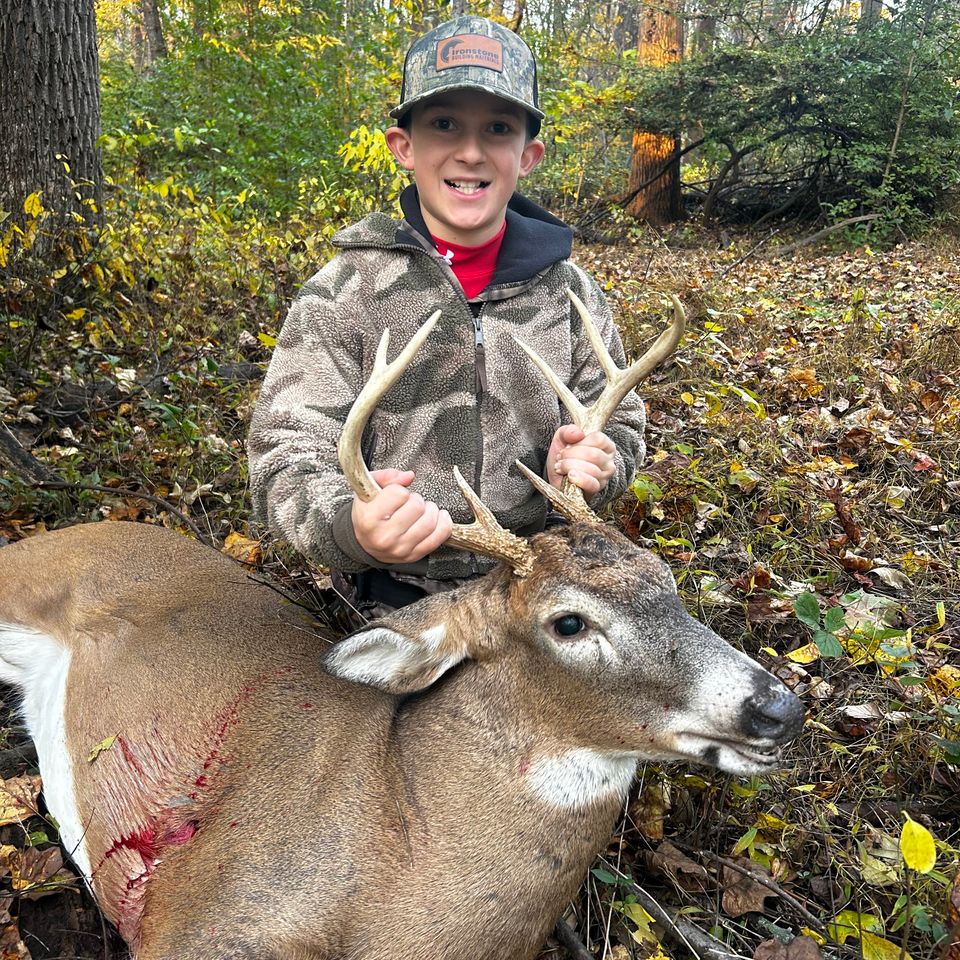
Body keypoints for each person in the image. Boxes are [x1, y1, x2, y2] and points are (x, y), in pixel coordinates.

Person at [247, 15, 646, 621]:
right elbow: (284, 453)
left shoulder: (571, 294)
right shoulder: (344, 293)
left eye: (497, 129)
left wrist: (596, 462)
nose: (469, 151)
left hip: (542, 601)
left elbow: (623, 424)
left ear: (528, 154)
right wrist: (353, 527)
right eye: (443, 125)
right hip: (395, 605)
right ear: (403, 146)